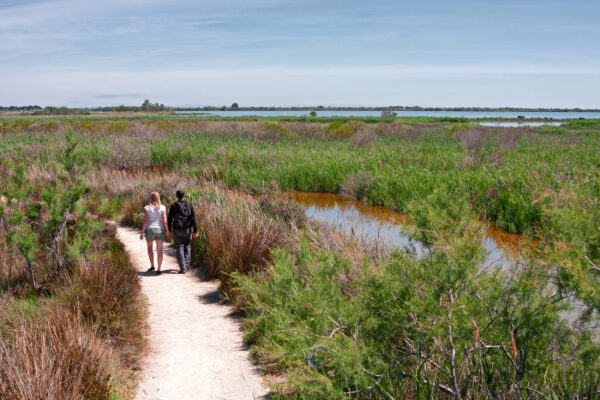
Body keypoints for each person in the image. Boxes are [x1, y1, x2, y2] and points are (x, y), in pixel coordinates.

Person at [167, 189, 198, 274]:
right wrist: (195, 230)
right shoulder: (189, 205)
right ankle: (187, 265)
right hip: (188, 230)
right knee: (187, 246)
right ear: (184, 196)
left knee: (179, 247)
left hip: (177, 230)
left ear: (176, 196)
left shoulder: (173, 206)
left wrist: (169, 230)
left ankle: (183, 267)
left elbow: (169, 219)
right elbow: (193, 219)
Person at [140, 192, 170, 274]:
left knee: (150, 248)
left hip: (150, 230)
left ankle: (152, 265)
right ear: (159, 198)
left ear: (151, 198)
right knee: (159, 250)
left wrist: (142, 232)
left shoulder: (147, 208)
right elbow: (165, 221)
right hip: (160, 230)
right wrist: (167, 231)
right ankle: (159, 268)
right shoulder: (163, 208)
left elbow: (146, 221)